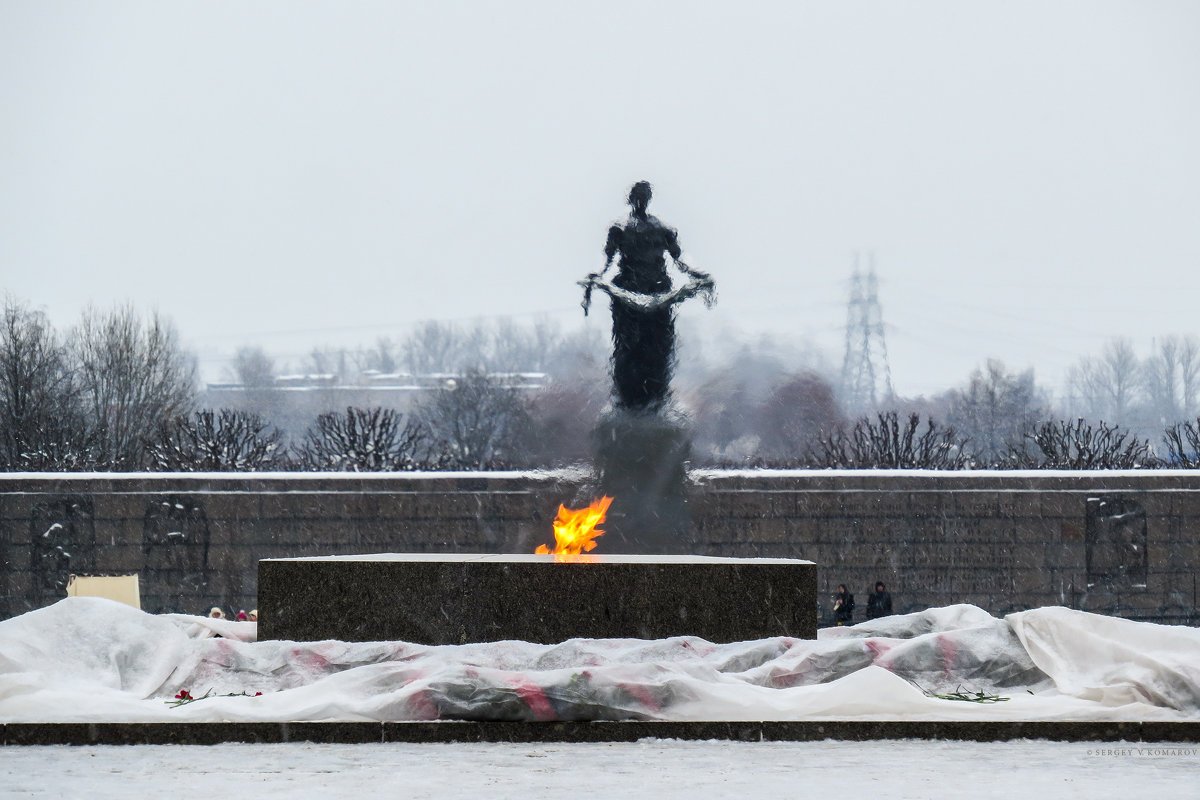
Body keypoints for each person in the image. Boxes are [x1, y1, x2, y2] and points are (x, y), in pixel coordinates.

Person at [581, 181, 714, 410]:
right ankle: (630, 396)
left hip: (656, 293)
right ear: (631, 199)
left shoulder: (663, 230)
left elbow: (680, 262)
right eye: (637, 196)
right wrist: (597, 277)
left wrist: (698, 276)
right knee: (628, 347)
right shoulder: (620, 229)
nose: (640, 201)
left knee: (658, 348)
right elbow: (607, 263)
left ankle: (654, 396)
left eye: (643, 196)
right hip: (629, 295)